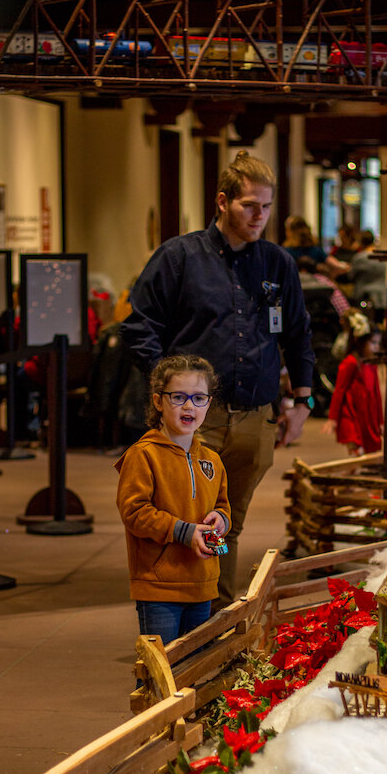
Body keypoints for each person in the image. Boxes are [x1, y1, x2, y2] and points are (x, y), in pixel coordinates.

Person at [120, 149, 315, 608]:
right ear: (222, 201)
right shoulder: (179, 256)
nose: (260, 216)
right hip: (193, 420)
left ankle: (216, 613)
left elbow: (298, 331)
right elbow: (137, 326)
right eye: (250, 205)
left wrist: (302, 402)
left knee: (228, 524)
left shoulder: (277, 263)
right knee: (180, 520)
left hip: (255, 417)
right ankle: (181, 614)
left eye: (267, 207)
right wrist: (166, 390)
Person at [115, 355, 230, 644]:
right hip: (159, 587)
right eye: (178, 397)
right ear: (158, 401)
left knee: (194, 664)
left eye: (199, 397)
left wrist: (221, 520)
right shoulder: (143, 454)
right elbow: (134, 512)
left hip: (202, 583)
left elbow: (223, 505)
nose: (189, 405)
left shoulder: (212, 459)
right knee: (162, 670)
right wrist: (184, 531)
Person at [322, 311, 383, 456]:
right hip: (352, 412)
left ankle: (355, 467)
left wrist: (380, 420)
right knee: (354, 442)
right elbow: (339, 390)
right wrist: (333, 418)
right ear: (359, 342)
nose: (376, 348)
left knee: (367, 445)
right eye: (372, 343)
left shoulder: (371, 364)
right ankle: (353, 467)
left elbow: (377, 393)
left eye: (378, 344)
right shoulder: (350, 363)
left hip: (368, 412)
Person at [347, 229, 387, 322]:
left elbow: (351, 276)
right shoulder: (381, 256)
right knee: (379, 324)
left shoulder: (359, 258)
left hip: (363, 297)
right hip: (381, 297)